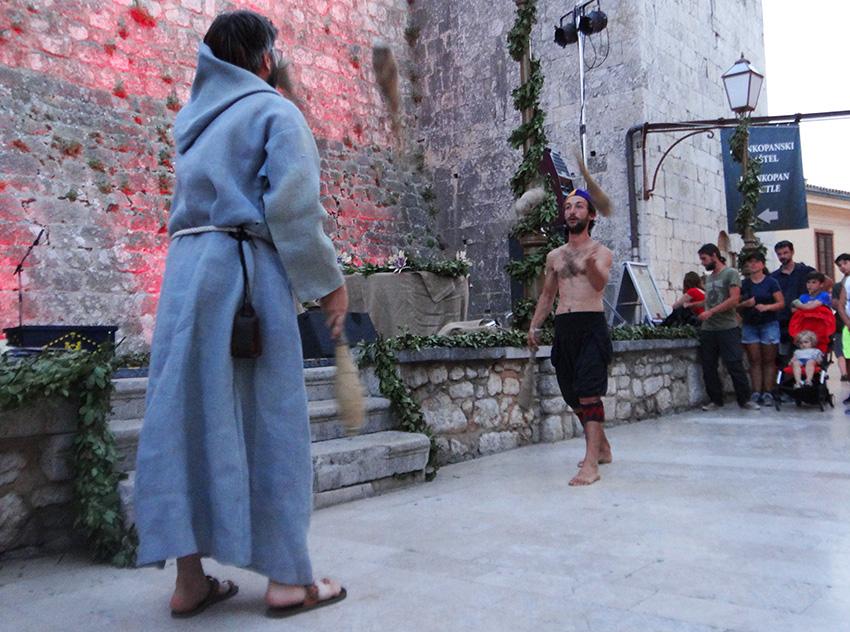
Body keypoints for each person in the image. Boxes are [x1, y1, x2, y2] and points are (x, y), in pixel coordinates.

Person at [133, 11, 347, 618]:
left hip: (185, 278)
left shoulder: (192, 125)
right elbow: (293, 208)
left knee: (182, 418)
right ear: (264, 59)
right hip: (245, 279)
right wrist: (329, 285)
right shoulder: (274, 112)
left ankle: (189, 581)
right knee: (271, 417)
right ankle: (287, 579)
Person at [528, 189, 613, 487]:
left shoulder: (601, 252)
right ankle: (602, 447)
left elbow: (600, 284)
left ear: (591, 215)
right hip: (564, 326)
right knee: (572, 396)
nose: (572, 211)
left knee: (589, 393)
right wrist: (535, 326)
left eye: (578, 206)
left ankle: (591, 464)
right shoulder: (555, 256)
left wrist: (590, 266)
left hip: (591, 325)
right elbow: (547, 295)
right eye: (567, 207)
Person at [696, 244, 759, 411]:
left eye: (704, 259)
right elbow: (711, 299)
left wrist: (711, 312)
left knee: (734, 363)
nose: (703, 262)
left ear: (714, 255)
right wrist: (691, 304)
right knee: (709, 366)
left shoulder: (731, 273)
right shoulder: (709, 278)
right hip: (709, 329)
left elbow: (733, 299)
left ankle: (744, 399)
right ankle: (715, 400)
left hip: (727, 327)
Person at [737, 252, 784, 406]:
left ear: (762, 264)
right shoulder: (744, 284)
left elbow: (781, 303)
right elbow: (735, 304)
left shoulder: (771, 282)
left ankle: (768, 391)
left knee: (769, 360)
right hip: (750, 324)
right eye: (750, 262)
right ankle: (756, 391)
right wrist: (745, 304)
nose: (753, 265)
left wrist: (767, 307)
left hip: (768, 323)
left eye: (756, 262)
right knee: (754, 360)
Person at [769, 240, 830, 356]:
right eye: (779, 254)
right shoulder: (774, 277)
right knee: (786, 357)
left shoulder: (806, 270)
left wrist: (814, 300)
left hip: (806, 320)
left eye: (785, 253)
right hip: (784, 322)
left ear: (792, 252)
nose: (782, 256)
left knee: (810, 354)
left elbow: (827, 282)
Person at [830, 253, 850, 381]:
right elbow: (837, 304)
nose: (842, 267)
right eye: (839, 265)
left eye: (845, 263)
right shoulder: (839, 286)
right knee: (843, 352)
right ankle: (845, 374)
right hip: (843, 323)